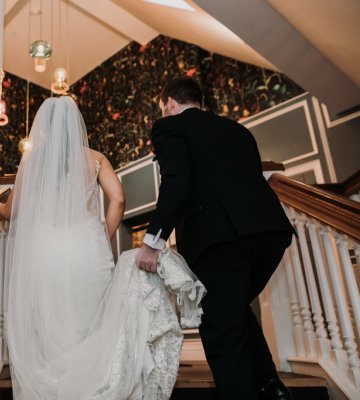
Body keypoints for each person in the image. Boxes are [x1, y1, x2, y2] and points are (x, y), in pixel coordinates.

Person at [0, 96, 204, 400]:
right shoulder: (94, 157)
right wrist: (104, 234)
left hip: (45, 247)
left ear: (44, 130)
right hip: (85, 245)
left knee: (52, 317)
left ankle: (57, 387)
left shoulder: (34, 163)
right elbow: (119, 199)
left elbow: (12, 211)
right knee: (92, 317)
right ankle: (92, 385)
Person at [136, 77, 295, 400]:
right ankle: (269, 384)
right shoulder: (238, 130)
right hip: (269, 234)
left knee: (222, 332)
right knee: (233, 309)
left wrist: (153, 242)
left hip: (219, 239)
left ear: (169, 104)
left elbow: (176, 182)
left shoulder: (169, 126)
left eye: (163, 107)